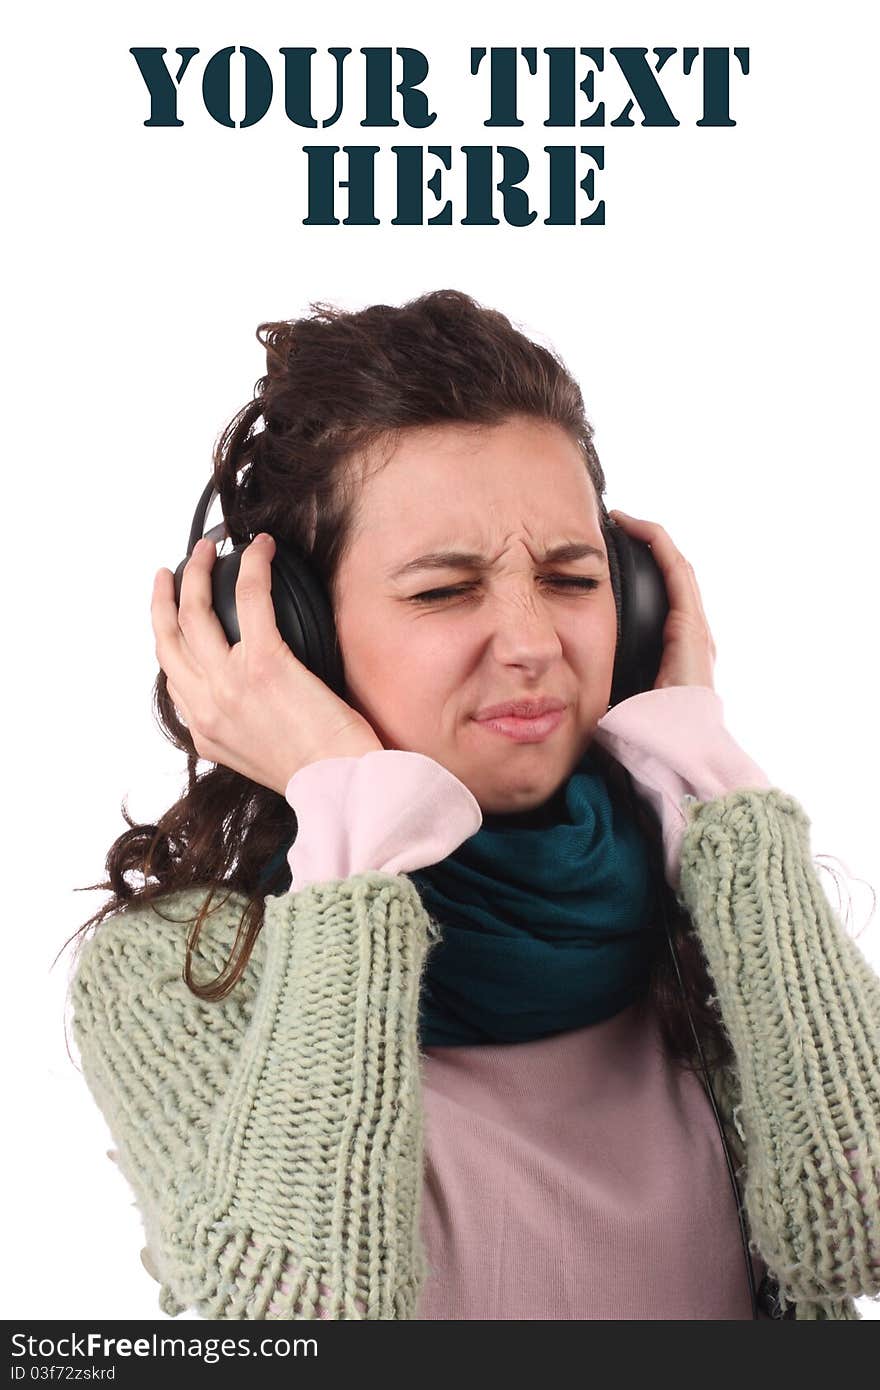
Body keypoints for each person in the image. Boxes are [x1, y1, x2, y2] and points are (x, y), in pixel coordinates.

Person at [67, 290, 880, 1321]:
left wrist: (714, 786)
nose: (533, 642)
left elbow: (861, 1227)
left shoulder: (710, 910)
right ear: (293, 639)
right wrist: (350, 820)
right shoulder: (177, 972)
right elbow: (304, 1314)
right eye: (444, 590)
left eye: (572, 578)